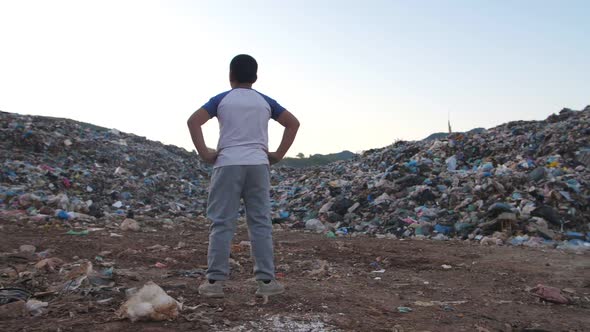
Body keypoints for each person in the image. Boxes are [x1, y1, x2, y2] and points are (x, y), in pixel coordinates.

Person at [187, 54, 300, 298]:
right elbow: (293, 123)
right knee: (260, 223)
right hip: (258, 165)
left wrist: (205, 153)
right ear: (255, 77)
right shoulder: (265, 101)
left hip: (227, 164)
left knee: (222, 223)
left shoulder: (222, 100)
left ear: (230, 75)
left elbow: (193, 121)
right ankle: (266, 282)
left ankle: (214, 283)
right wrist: (278, 154)